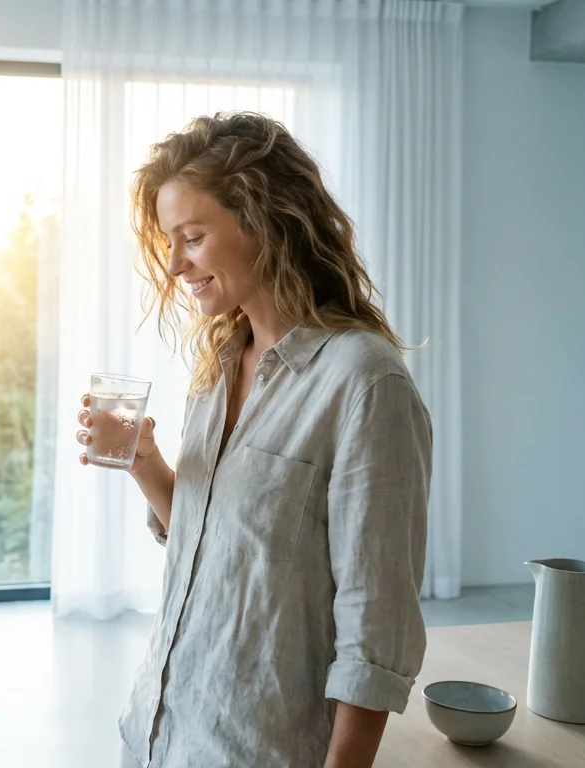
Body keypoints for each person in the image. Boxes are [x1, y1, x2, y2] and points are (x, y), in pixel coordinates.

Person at [76, 112, 432, 768]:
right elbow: (208, 541)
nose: (178, 265)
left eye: (192, 237)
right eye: (171, 242)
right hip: (157, 733)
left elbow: (375, 625)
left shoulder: (363, 381)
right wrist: (142, 460)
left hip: (260, 748)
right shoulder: (217, 367)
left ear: (264, 222)